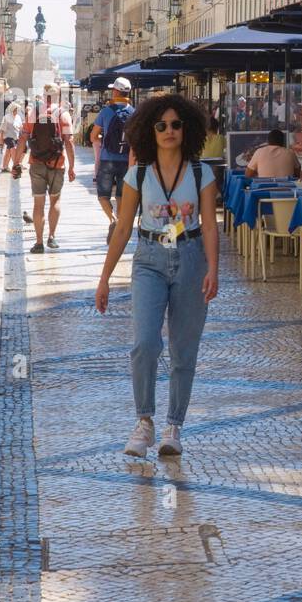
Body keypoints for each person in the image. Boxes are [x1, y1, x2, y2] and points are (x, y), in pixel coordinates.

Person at [95, 94, 219, 458]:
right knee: (145, 343)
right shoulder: (138, 174)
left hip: (191, 256)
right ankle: (144, 421)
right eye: (161, 125)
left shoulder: (201, 173)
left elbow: (210, 226)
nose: (168, 131)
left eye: (176, 124)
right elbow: (121, 229)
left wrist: (213, 268)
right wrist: (104, 278)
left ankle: (173, 426)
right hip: (149, 258)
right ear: (149, 129)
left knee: (184, 350)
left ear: (187, 129)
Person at [18, 85, 76, 253]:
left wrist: (16, 162)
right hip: (57, 163)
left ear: (43, 96)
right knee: (55, 200)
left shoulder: (33, 113)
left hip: (36, 162)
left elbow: (23, 139)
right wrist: (72, 167)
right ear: (58, 96)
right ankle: (51, 237)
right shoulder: (63, 114)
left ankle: (38, 242)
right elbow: (69, 142)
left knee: (38, 203)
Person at [92, 77, 135, 243]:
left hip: (107, 159)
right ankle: (120, 222)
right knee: (121, 196)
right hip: (127, 161)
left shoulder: (106, 111)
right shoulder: (135, 112)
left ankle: (113, 220)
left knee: (103, 196)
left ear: (116, 91)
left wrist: (101, 141)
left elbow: (93, 135)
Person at [0, 98, 23, 175]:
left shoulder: (18, 117)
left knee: (8, 152)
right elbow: (2, 129)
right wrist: (0, 140)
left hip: (16, 137)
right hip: (8, 137)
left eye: (17, 110)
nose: (16, 111)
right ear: (12, 109)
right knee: (13, 149)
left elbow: (20, 127)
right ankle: (16, 166)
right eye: (15, 110)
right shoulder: (6, 117)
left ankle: (4, 167)